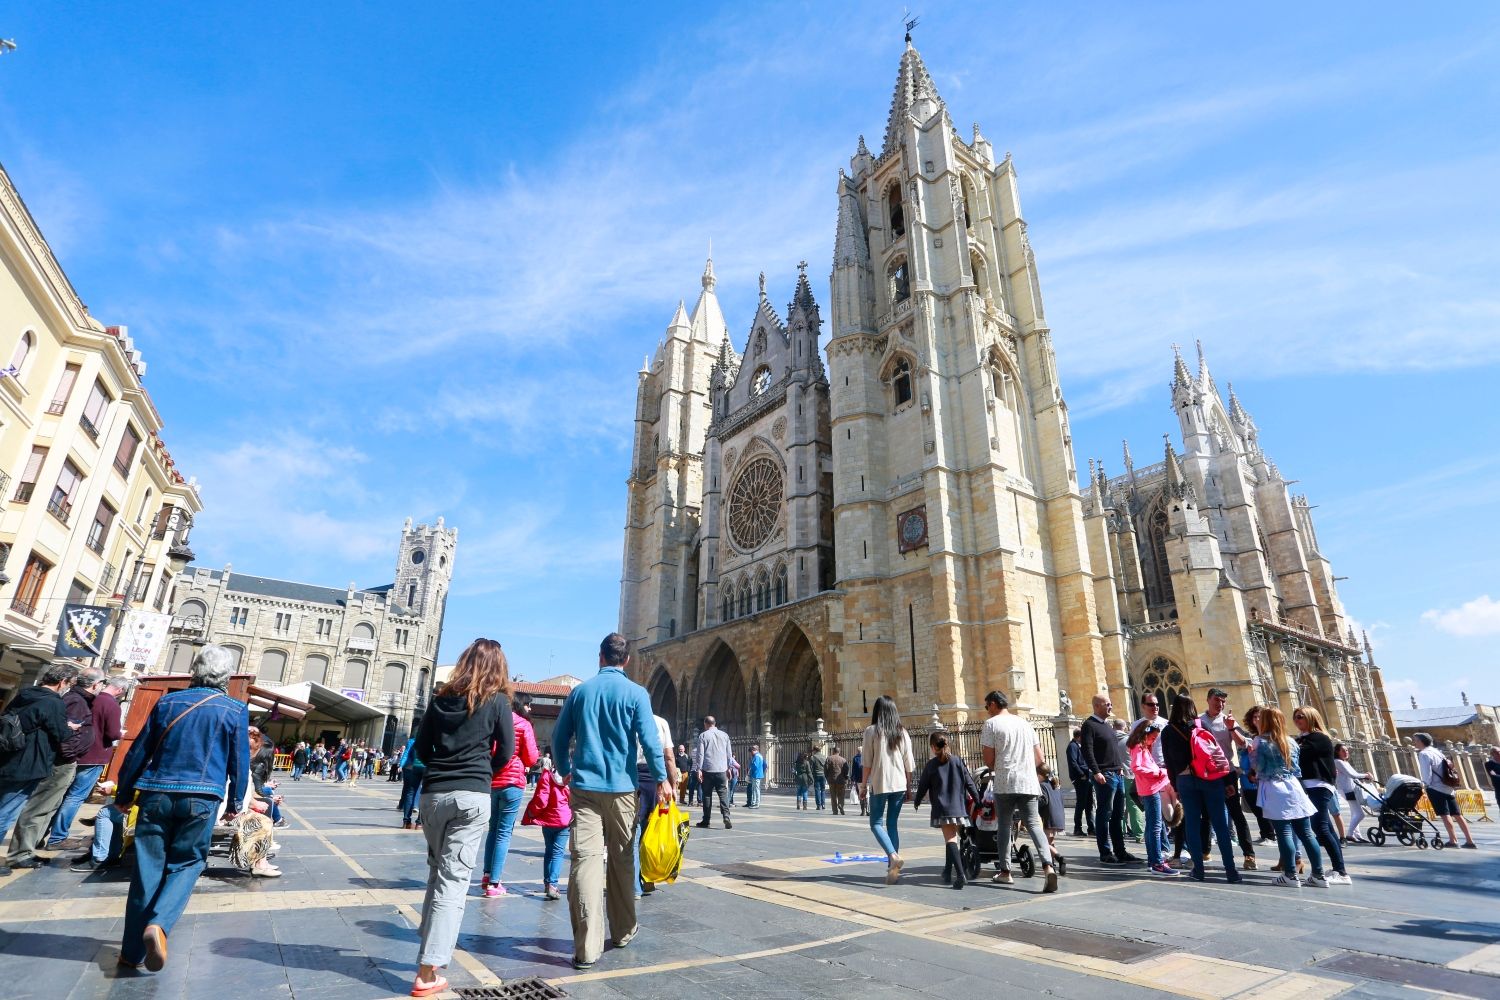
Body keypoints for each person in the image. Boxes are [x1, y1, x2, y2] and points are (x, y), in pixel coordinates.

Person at [114, 645, 249, 972]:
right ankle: (158, 925)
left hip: (156, 793)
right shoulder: (234, 709)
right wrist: (235, 802)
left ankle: (131, 953)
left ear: (195, 670)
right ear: (226, 676)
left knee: (147, 868)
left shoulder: (168, 701)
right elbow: (239, 762)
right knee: (188, 862)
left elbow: (138, 751)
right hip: (202, 798)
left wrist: (124, 791)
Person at [552, 633, 669, 971]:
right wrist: (661, 779)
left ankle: (587, 947)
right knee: (621, 860)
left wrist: (564, 770)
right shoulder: (636, 693)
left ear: (600, 656)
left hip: (585, 788)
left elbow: (560, 738)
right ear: (626, 661)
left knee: (585, 862)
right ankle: (622, 930)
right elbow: (649, 740)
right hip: (622, 789)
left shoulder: (580, 692)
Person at [407, 638, 516, 998]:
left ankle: (429, 947)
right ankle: (427, 971)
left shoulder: (439, 699)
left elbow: (420, 750)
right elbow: (508, 752)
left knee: (438, 872)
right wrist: (483, 771)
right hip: (472, 795)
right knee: (453, 881)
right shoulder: (498, 700)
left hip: (434, 795)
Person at [0, 663, 83, 873]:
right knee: (6, 812)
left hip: (8, 758)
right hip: (28, 763)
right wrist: (70, 728)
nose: (69, 688)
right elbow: (61, 734)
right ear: (62, 682)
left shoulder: (25, 694)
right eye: (69, 684)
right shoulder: (53, 703)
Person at [980, 690, 1059, 893]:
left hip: (1006, 781)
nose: (987, 710)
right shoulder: (1025, 723)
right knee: (1034, 824)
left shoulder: (991, 724)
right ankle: (1048, 866)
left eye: (987, 705)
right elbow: (1040, 758)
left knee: (1004, 825)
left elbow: (989, 761)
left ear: (995, 704)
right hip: (1029, 781)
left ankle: (1006, 872)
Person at [48, 673, 131, 850]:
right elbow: (113, 733)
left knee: (62, 795)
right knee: (76, 797)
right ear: (120, 690)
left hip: (77, 753)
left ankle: (47, 834)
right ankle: (57, 837)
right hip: (96, 755)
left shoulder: (91, 699)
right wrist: (121, 734)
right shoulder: (112, 705)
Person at [1165, 694, 1241, 883]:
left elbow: (1169, 763)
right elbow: (1216, 754)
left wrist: (1175, 787)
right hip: (1210, 778)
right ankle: (1231, 871)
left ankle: (1198, 870)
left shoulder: (1168, 731)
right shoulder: (1201, 725)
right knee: (1220, 825)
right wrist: (1226, 782)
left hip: (1185, 780)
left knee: (1192, 824)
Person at [1253, 706, 1326, 888]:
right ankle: (1319, 875)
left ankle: (1290, 875)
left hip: (1274, 788)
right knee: (1307, 833)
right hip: (1294, 786)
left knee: (1284, 832)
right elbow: (1297, 770)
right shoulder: (1291, 742)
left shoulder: (1260, 742)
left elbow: (1259, 768)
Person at [481, 690, 540, 898]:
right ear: (520, 705)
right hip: (513, 781)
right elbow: (532, 758)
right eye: (528, 704)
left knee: (492, 829)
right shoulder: (524, 725)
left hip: (493, 780)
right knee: (504, 832)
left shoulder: (495, 721)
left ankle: (487, 875)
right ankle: (495, 883)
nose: (530, 708)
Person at [1200, 688, 1257, 871]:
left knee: (1236, 814)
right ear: (1208, 700)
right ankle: (1204, 851)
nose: (1220, 704)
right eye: (1217, 700)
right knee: (1206, 815)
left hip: (1227, 772)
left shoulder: (1228, 721)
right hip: (1207, 773)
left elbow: (1243, 744)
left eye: (1223, 701)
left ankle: (1249, 854)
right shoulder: (1198, 721)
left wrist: (1232, 727)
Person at [914, 731, 980, 890]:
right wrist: (977, 800)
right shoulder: (957, 761)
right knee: (952, 840)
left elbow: (922, 785)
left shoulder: (931, 765)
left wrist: (917, 801)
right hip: (959, 807)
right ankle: (947, 870)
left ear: (932, 747)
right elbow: (969, 782)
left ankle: (960, 875)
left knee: (950, 840)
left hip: (943, 809)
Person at [860, 695, 915, 885]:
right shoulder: (903, 732)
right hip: (899, 784)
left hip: (880, 783)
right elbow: (909, 764)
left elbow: (866, 762)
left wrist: (863, 785)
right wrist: (909, 787)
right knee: (892, 824)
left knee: (875, 823)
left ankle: (892, 856)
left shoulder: (871, 731)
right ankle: (894, 871)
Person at [1291, 706, 1350, 882]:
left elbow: (1298, 755)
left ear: (1311, 718)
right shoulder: (1303, 739)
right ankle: (1339, 869)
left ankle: (1341, 872)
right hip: (1312, 786)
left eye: (1301, 717)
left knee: (1321, 828)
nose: (1297, 720)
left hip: (1319, 785)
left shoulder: (1319, 738)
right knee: (1327, 829)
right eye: (1295, 717)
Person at [1078, 693, 1135, 865]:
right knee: (1104, 814)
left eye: (1110, 704)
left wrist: (1120, 769)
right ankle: (1105, 852)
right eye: (1107, 704)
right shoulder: (1089, 725)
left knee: (1118, 816)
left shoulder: (1108, 726)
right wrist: (1096, 771)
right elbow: (1087, 750)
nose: (1111, 706)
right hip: (1105, 775)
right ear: (1097, 706)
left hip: (1116, 774)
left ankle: (1120, 851)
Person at [633, 710, 676, 897]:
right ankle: (647, 879)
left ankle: (634, 885)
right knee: (650, 832)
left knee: (632, 831)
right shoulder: (661, 722)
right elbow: (668, 757)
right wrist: (672, 784)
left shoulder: (628, 720)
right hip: (653, 776)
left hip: (630, 775)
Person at [1127, 722, 1176, 876]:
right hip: (1150, 789)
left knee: (1152, 827)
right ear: (1145, 734)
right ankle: (1157, 863)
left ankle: (1153, 861)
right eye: (1153, 737)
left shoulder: (1142, 747)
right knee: (1155, 827)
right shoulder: (1139, 747)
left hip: (1150, 788)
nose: (1154, 741)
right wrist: (1157, 773)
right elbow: (1136, 767)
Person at [1414, 732, 1476, 849]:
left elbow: (1426, 773)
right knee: (1457, 814)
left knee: (1445, 814)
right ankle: (1469, 840)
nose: (1415, 743)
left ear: (1421, 742)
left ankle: (1453, 840)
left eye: (1416, 740)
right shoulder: (1438, 752)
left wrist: (1425, 785)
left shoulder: (1424, 754)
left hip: (1436, 788)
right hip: (1448, 787)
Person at [522, 762, 572, 900]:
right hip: (564, 820)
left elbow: (542, 799)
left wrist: (533, 812)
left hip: (548, 819)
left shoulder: (546, 775)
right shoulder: (570, 776)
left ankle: (546, 883)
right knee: (558, 853)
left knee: (548, 851)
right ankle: (553, 885)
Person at [1237, 706, 1277, 844]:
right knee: (1256, 809)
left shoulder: (1268, 738)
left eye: (1259, 716)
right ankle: (1265, 833)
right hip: (1247, 779)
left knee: (1262, 809)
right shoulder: (1252, 737)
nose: (1257, 719)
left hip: (1258, 780)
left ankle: (1270, 835)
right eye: (1254, 717)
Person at [693, 716, 733, 830]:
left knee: (707, 795)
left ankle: (706, 820)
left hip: (708, 770)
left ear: (706, 724)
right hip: (721, 770)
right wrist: (729, 768)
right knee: (723, 794)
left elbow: (700, 754)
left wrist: (699, 769)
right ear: (715, 723)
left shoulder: (703, 735)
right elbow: (729, 754)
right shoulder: (725, 735)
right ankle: (726, 816)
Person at [1333, 743, 1372, 843]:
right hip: (1347, 791)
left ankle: (1357, 835)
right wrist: (1366, 775)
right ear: (1337, 752)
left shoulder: (1344, 762)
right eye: (1343, 750)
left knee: (1355, 813)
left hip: (1352, 789)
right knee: (1360, 814)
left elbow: (1354, 775)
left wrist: (1363, 777)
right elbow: (1352, 774)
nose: (1346, 752)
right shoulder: (1338, 762)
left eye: (1346, 750)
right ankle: (1350, 834)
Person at [1065, 727, 1094, 837]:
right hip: (1080, 778)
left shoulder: (1081, 746)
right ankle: (1078, 828)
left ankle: (1091, 828)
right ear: (1079, 736)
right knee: (1081, 803)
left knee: (1089, 803)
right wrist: (1081, 774)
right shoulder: (1072, 746)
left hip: (1087, 776)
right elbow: (1073, 762)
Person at [826, 745, 849, 815]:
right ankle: (840, 805)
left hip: (832, 780)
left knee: (833, 796)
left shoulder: (829, 759)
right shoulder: (843, 760)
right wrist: (845, 777)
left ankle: (835, 811)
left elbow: (825, 769)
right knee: (841, 795)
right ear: (839, 752)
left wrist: (827, 777)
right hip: (841, 780)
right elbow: (846, 770)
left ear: (833, 751)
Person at [809, 742, 829, 811]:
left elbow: (811, 768)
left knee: (817, 789)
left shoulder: (813, 757)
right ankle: (823, 804)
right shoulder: (824, 757)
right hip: (823, 775)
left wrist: (811, 775)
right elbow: (827, 766)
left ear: (814, 750)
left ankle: (818, 805)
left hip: (816, 775)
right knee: (823, 790)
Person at [851, 748, 866, 816]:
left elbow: (853, 770)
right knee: (868, 794)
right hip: (868, 779)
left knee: (861, 794)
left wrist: (852, 779)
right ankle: (867, 810)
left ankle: (863, 810)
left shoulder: (855, 758)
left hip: (859, 779)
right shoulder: (867, 757)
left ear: (858, 751)